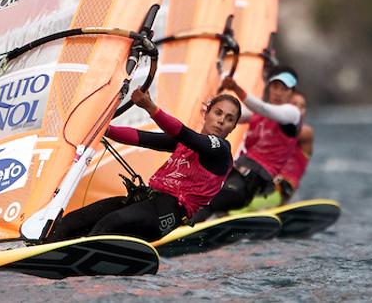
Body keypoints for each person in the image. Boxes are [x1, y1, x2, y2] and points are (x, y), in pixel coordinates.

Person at [47, 87, 241, 242]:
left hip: (167, 212)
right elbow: (141, 138)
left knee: (111, 222)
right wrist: (103, 129)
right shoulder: (186, 143)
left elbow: (183, 133)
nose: (222, 120)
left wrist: (151, 108)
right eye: (218, 113)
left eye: (229, 119)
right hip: (146, 201)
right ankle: (43, 248)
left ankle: (84, 254)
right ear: (206, 113)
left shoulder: (221, 150)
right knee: (76, 220)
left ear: (233, 127)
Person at [191, 67, 301, 221]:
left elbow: (264, 109)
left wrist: (235, 88)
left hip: (251, 185)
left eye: (284, 89)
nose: (278, 92)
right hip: (235, 172)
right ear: (269, 88)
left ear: (292, 93)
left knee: (212, 200)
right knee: (198, 192)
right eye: (275, 87)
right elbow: (233, 115)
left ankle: (186, 228)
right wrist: (211, 106)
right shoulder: (257, 114)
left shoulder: (292, 114)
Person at [272, 90, 314, 204]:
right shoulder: (270, 127)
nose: (299, 110)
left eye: (302, 106)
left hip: (284, 188)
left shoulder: (306, 132)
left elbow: (284, 134)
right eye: (294, 105)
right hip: (263, 182)